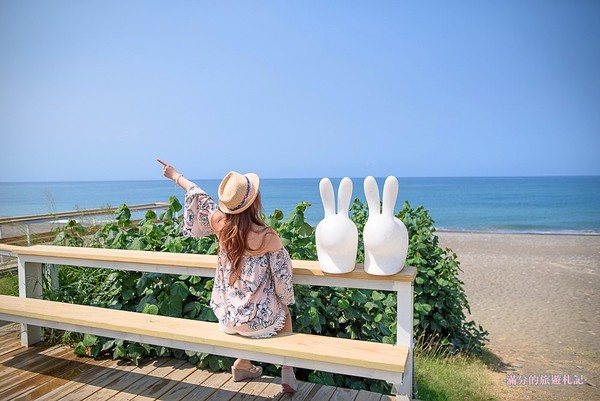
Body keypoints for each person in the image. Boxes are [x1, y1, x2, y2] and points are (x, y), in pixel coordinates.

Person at [157, 159, 298, 393]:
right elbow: (283, 279)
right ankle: (287, 371)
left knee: (250, 314)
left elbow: (199, 196)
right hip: (257, 322)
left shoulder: (221, 224)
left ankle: (242, 364)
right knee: (284, 312)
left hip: (228, 318)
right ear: (255, 202)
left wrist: (175, 176)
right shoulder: (267, 236)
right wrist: (284, 302)